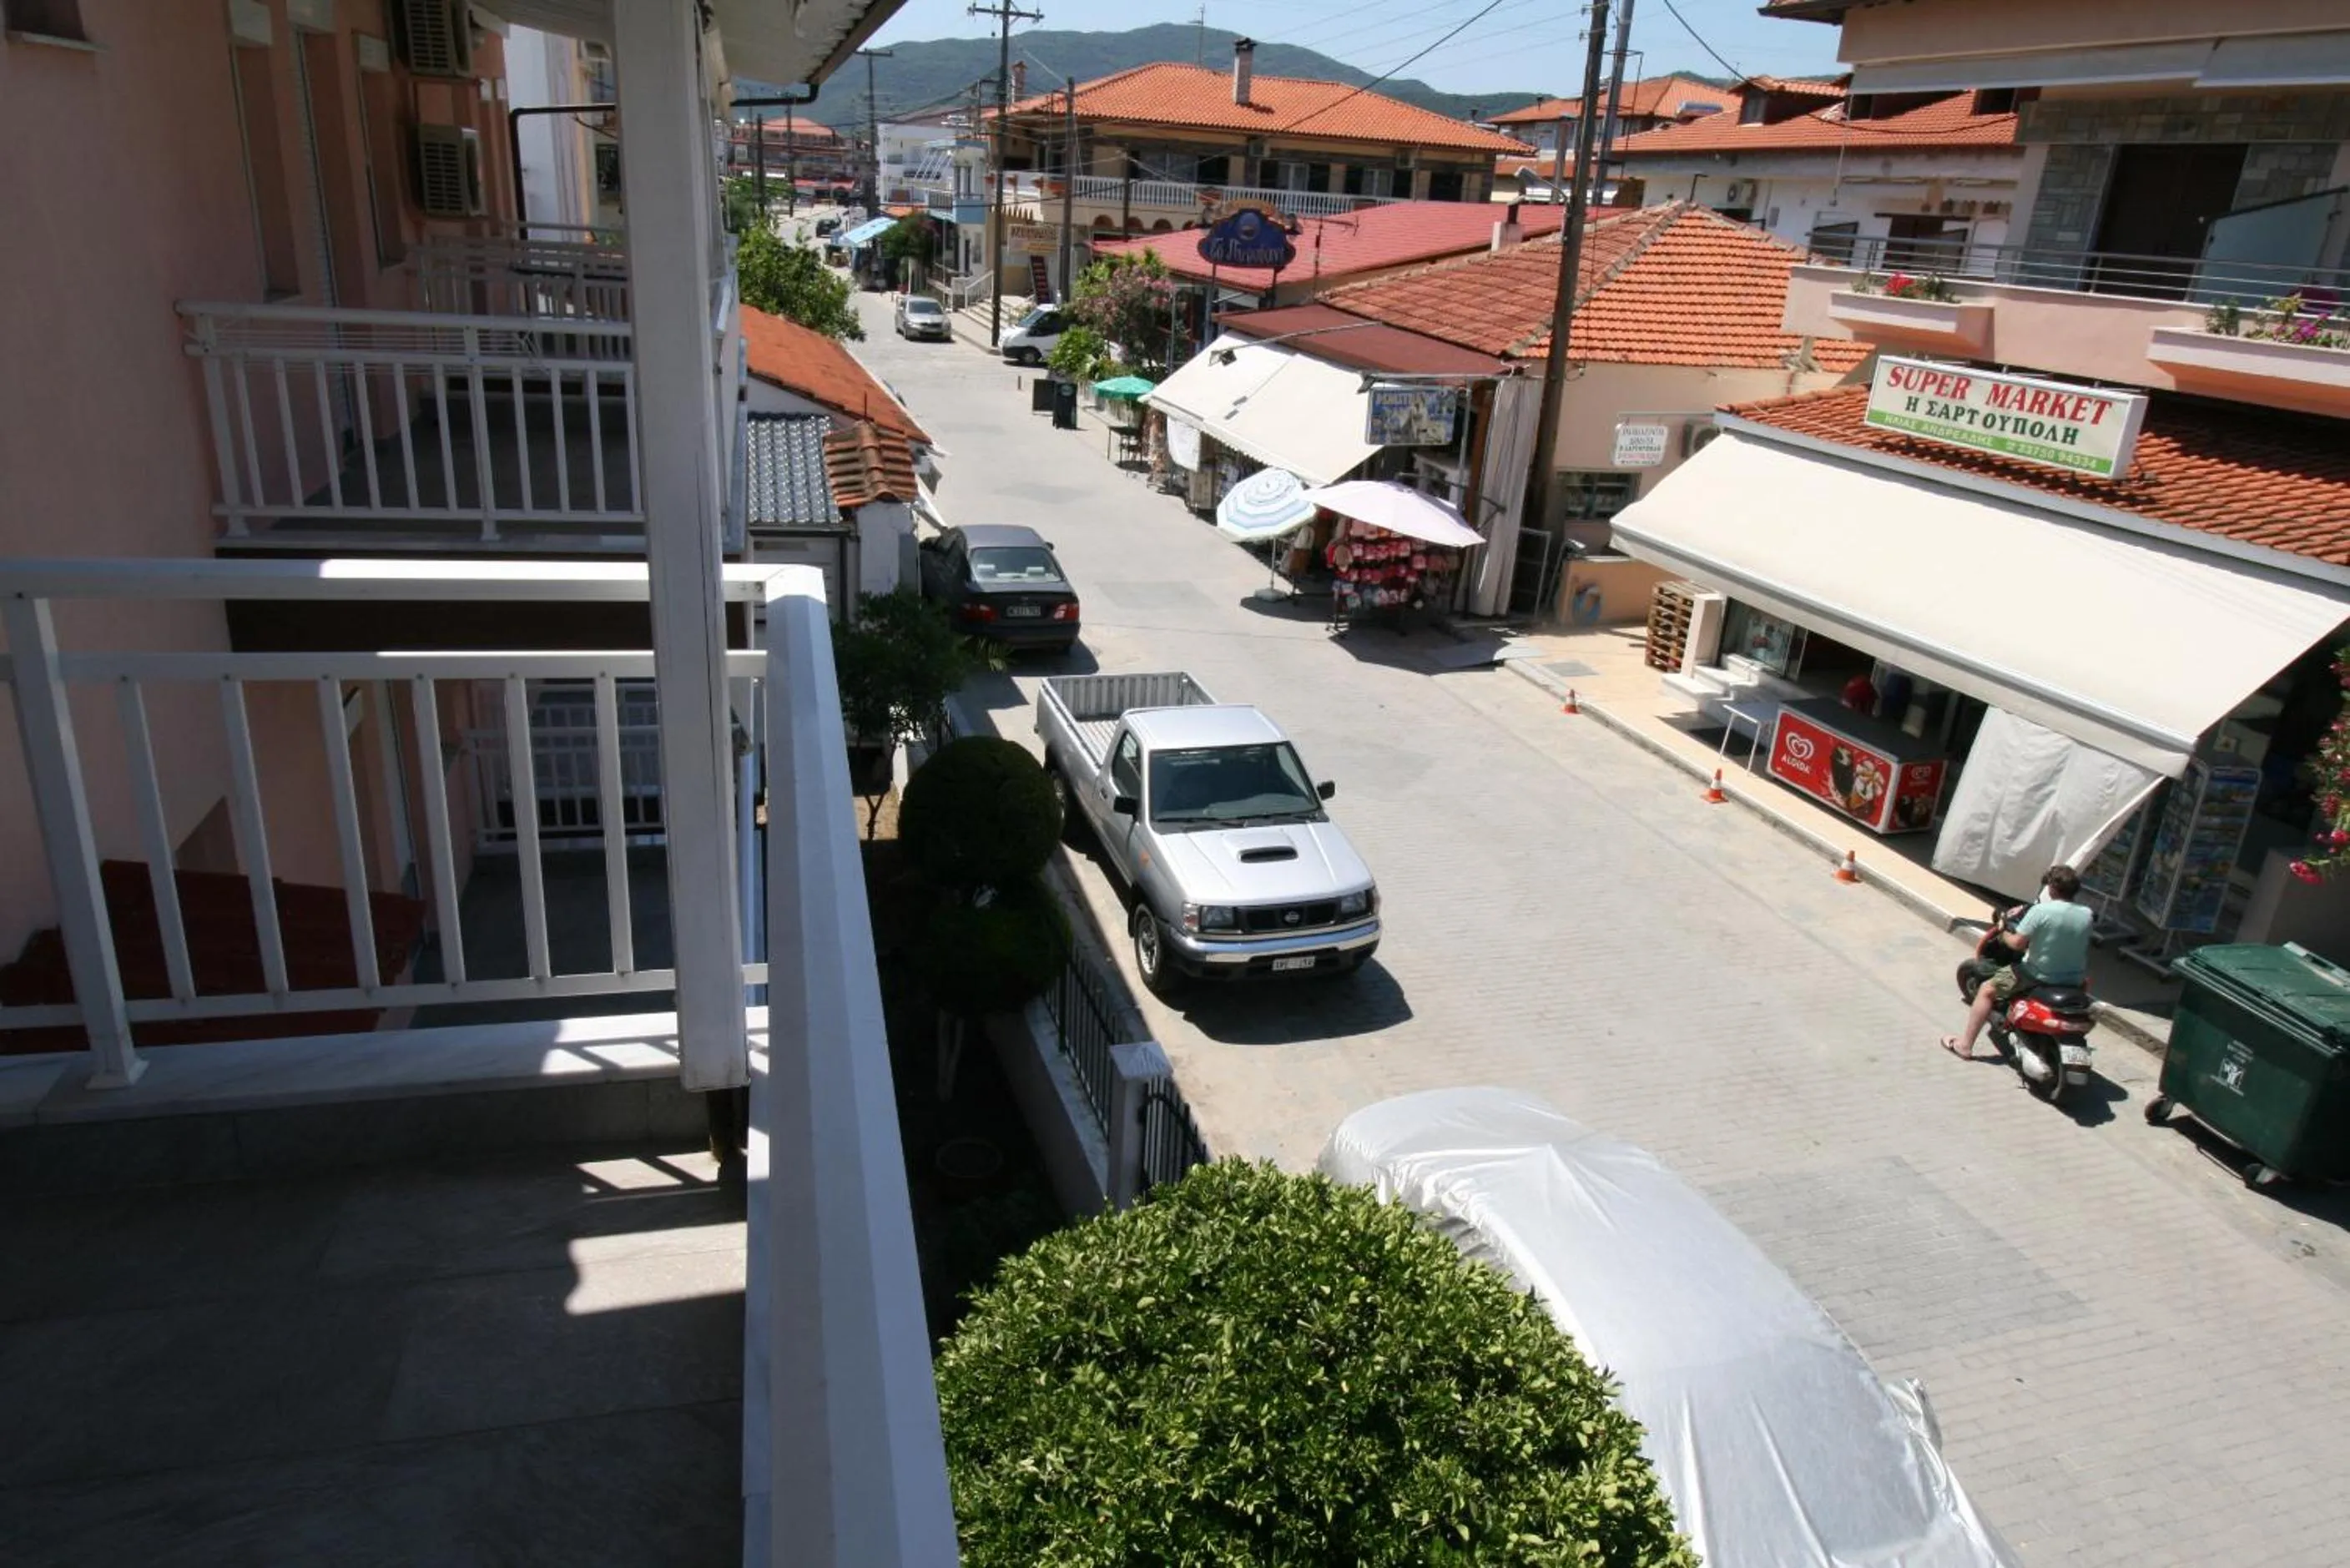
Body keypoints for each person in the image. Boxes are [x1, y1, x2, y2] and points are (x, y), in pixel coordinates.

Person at [1943, 864, 2093, 1061]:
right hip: (2076, 979)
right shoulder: (2087, 914)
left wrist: (2004, 930)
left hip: (2036, 974)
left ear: (2052, 888)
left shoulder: (2041, 911)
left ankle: (1965, 1045)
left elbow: (2017, 944)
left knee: (1987, 990)